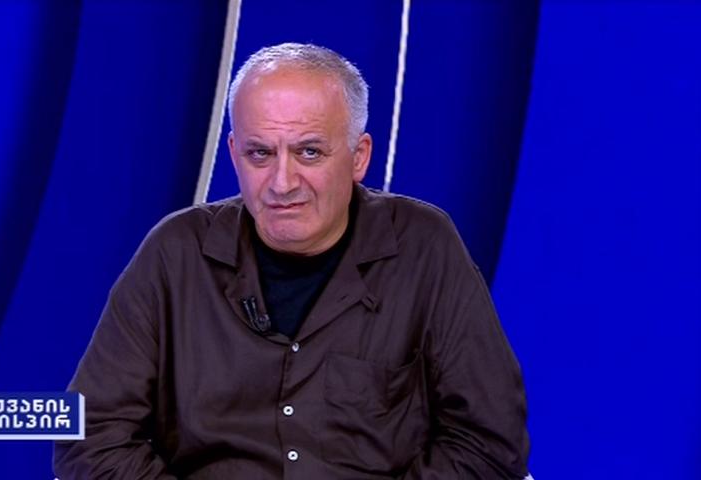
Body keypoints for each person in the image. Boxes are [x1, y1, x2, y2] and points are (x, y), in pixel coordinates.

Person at [54, 43, 530, 479]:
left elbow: (489, 440)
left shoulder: (424, 247)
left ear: (359, 156)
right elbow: (90, 435)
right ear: (234, 154)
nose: (282, 183)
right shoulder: (175, 253)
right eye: (260, 153)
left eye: (309, 152)